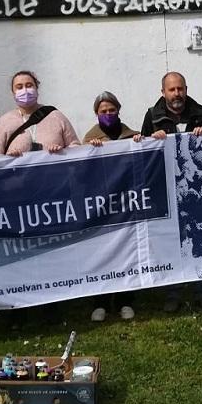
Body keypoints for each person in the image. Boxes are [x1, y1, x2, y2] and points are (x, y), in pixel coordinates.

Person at [137, 71, 202, 312]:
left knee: (201, 237)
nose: (177, 94)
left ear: (186, 89)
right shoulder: (153, 116)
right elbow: (143, 148)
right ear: (163, 92)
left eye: (180, 89)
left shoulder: (200, 112)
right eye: (172, 90)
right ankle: (173, 293)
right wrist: (153, 138)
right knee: (173, 241)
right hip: (169, 190)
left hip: (197, 191)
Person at [83, 91, 139, 322]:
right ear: (96, 114)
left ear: (118, 110)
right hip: (102, 205)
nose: (108, 114)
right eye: (103, 111)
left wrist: (141, 142)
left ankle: (126, 300)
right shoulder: (88, 139)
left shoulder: (131, 136)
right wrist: (90, 149)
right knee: (103, 254)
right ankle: (101, 303)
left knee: (127, 252)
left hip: (127, 204)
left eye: (111, 110)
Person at [0, 70, 80, 156]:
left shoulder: (56, 116)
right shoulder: (4, 122)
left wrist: (62, 152)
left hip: (54, 173)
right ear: (13, 93)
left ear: (37, 89)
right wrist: (8, 158)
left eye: (29, 85)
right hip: (18, 174)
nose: (25, 90)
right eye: (19, 87)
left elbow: (75, 147)